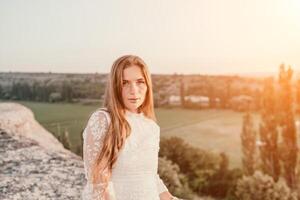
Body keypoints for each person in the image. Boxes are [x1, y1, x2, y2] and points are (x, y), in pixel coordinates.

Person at [81, 55, 181, 200]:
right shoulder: (103, 120)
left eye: (140, 82)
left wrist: (170, 198)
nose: (133, 90)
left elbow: (149, 176)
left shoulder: (151, 126)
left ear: (147, 85)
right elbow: (98, 185)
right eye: (124, 83)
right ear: (115, 87)